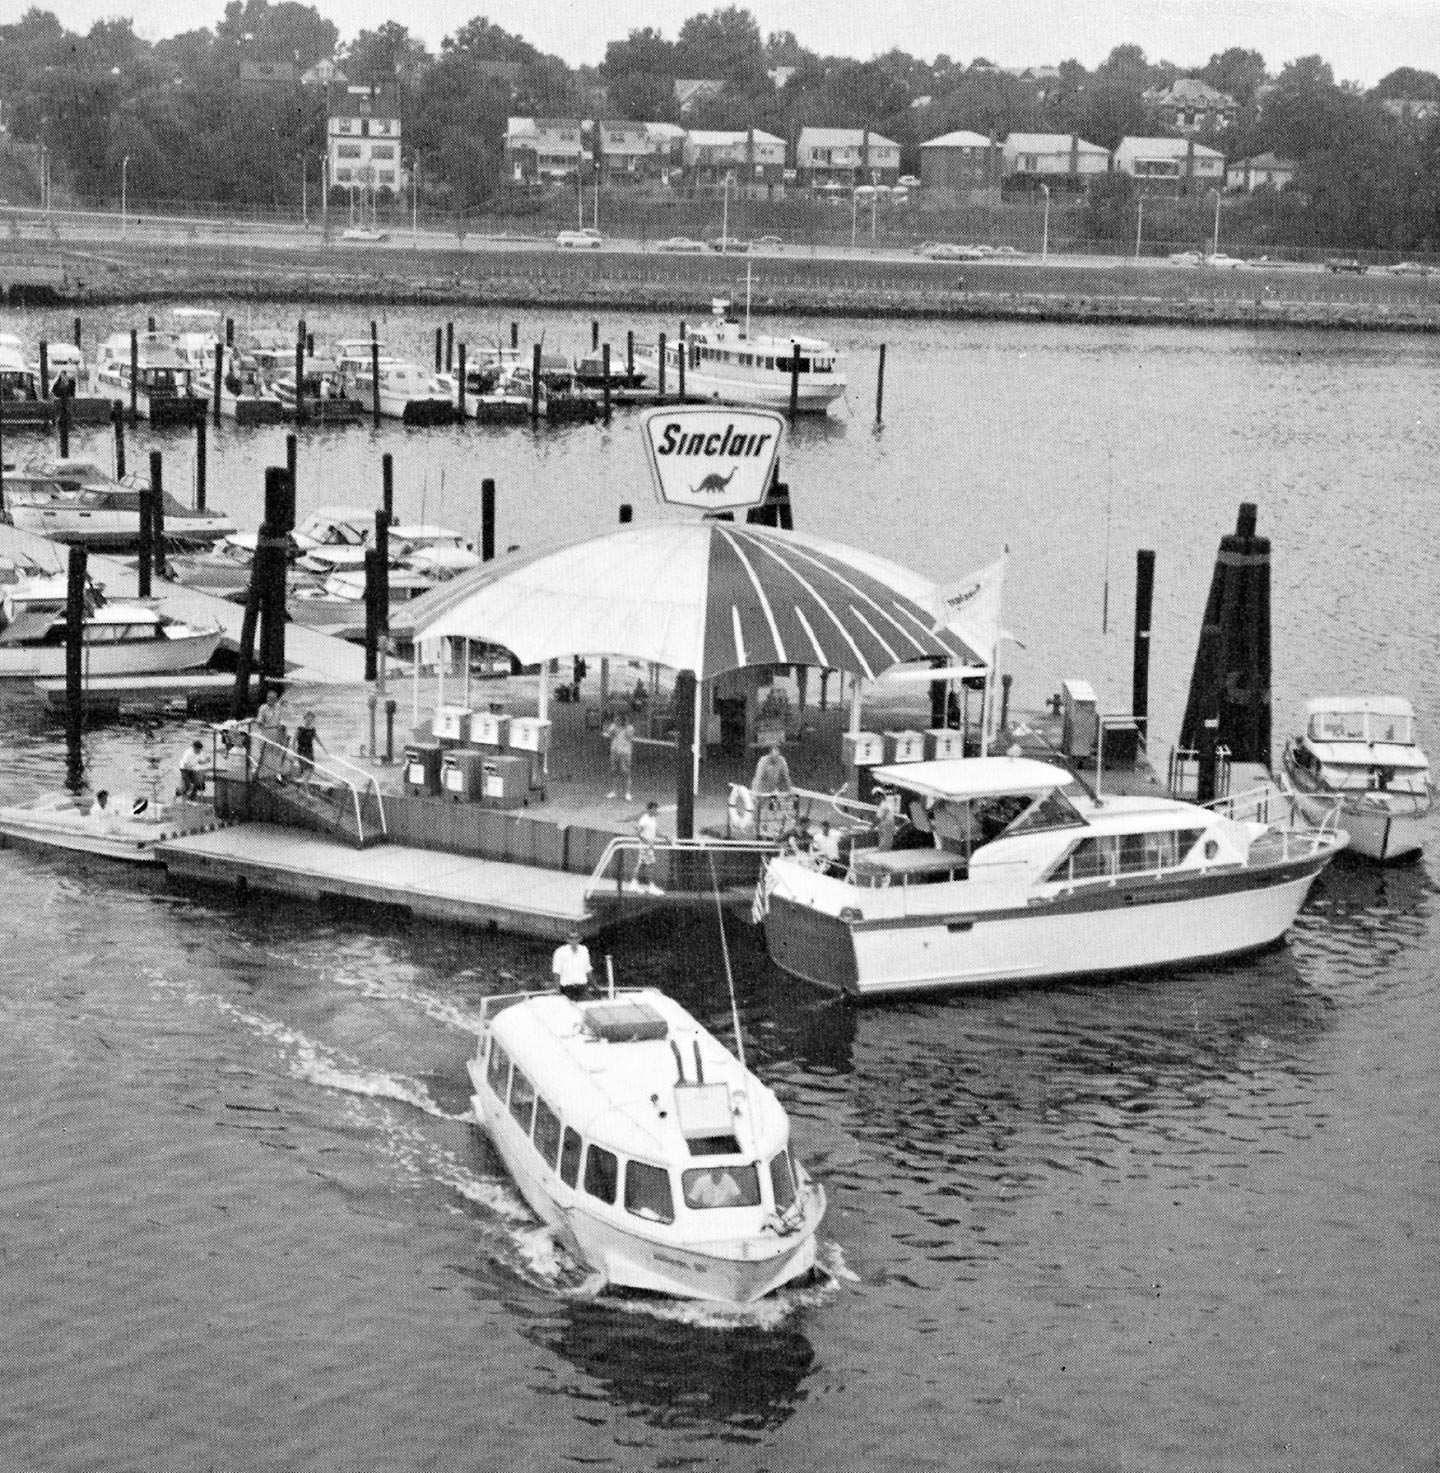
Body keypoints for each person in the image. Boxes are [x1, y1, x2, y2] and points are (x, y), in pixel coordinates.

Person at [633, 801, 663, 895]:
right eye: (654, 809)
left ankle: (633, 884)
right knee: (651, 865)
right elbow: (638, 833)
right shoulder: (644, 819)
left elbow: (655, 831)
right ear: (649, 809)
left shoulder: (652, 818)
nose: (656, 811)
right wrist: (647, 843)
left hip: (649, 845)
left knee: (641, 865)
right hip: (645, 846)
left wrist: (664, 837)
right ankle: (651, 886)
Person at [551, 929, 592, 996]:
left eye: (576, 938)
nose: (574, 940)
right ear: (567, 939)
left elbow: (588, 970)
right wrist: (558, 992)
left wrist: (596, 987)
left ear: (580, 939)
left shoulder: (584, 950)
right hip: (567, 990)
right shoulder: (559, 952)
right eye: (571, 938)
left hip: (582, 988)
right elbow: (557, 972)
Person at [605, 713, 633, 801]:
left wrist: (626, 726)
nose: (620, 721)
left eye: (622, 719)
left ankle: (627, 793)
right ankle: (614, 792)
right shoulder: (614, 727)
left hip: (625, 753)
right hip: (615, 752)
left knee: (626, 773)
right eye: (618, 719)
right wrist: (614, 725)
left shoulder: (630, 728)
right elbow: (610, 734)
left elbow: (629, 737)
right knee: (614, 772)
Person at [293, 711, 325, 786]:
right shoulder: (300, 729)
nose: (309, 721)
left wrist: (324, 749)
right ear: (305, 718)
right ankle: (306, 791)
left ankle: (303, 787)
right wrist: (295, 753)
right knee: (306, 771)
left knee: (311, 770)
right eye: (308, 719)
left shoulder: (312, 729)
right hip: (302, 751)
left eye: (311, 719)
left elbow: (317, 739)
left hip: (310, 751)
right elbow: (294, 741)